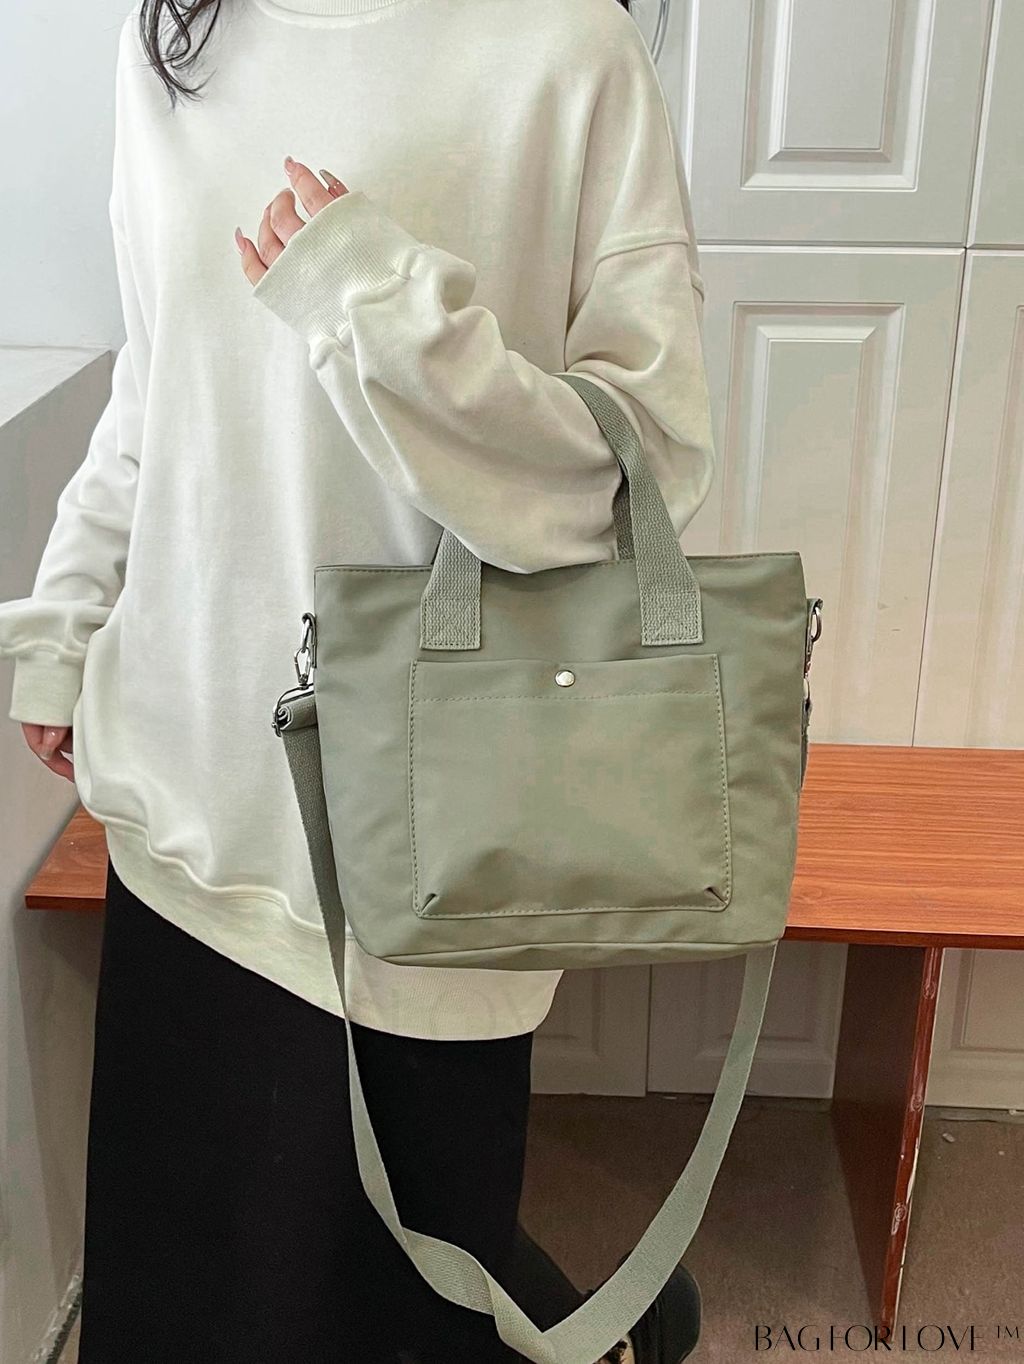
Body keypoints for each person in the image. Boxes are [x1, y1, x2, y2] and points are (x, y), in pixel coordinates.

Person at [0, 0, 714, 1359]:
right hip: (186, 796)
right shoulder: (178, 37)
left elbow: (645, 473)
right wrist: (67, 610)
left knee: (390, 1297)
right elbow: (160, 374)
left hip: (426, 827)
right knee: (185, 1299)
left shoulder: (568, 49)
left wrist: (381, 315)